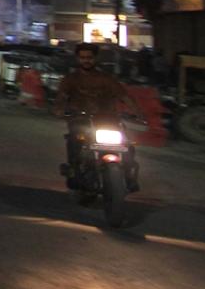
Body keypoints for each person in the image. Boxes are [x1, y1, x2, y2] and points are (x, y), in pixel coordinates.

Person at [52, 42, 144, 187]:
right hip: (80, 119)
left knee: (127, 143)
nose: (86, 60)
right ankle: (74, 171)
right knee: (74, 140)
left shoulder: (107, 79)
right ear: (78, 59)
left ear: (95, 58)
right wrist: (59, 109)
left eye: (89, 57)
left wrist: (137, 113)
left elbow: (124, 96)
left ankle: (129, 175)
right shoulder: (70, 79)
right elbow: (62, 97)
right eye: (83, 57)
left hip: (107, 118)